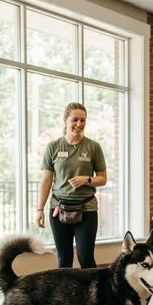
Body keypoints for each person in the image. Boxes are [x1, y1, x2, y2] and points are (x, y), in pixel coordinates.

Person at [35, 102, 106, 269]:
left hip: (87, 209)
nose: (79, 124)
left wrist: (87, 179)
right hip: (58, 209)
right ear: (65, 120)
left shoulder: (93, 147)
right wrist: (39, 210)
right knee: (64, 260)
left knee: (86, 258)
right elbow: (46, 181)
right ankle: (66, 295)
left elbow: (102, 178)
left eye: (83, 120)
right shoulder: (53, 147)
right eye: (75, 120)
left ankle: (92, 295)